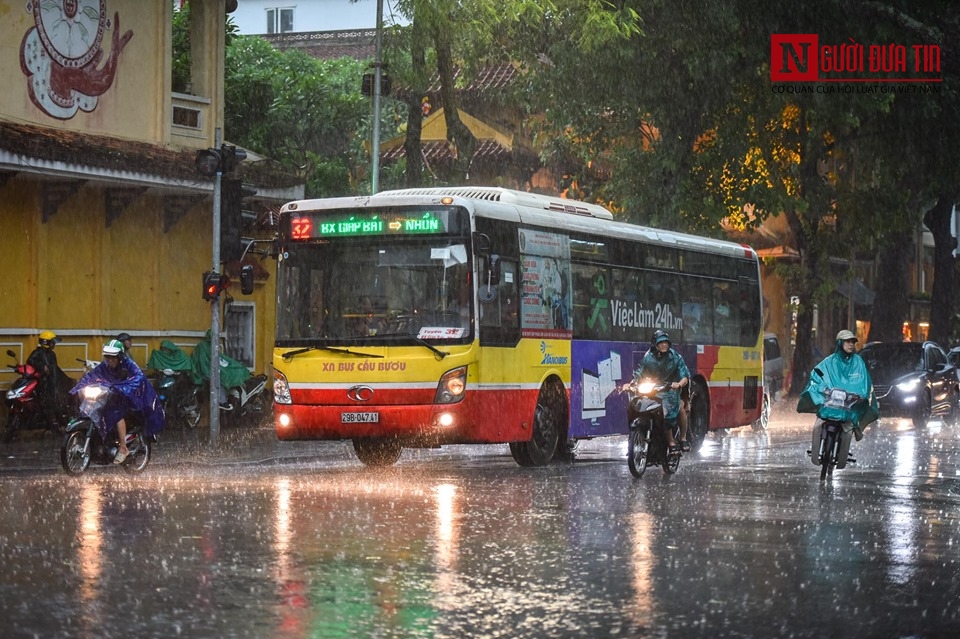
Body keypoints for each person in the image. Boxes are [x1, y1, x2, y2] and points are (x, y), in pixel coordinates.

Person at [72, 339, 164, 463]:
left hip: (129, 397)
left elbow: (138, 378)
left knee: (116, 414)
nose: (110, 359)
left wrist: (122, 387)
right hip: (111, 395)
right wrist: (79, 386)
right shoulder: (104, 365)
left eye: (113, 357)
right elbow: (92, 375)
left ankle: (123, 447)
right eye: (107, 356)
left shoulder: (129, 365)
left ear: (120, 356)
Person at [798, 329, 879, 442]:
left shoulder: (858, 361)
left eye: (852, 342)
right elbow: (818, 373)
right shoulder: (829, 361)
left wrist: (860, 394)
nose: (851, 344)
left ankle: (856, 429)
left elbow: (863, 380)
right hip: (832, 400)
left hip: (850, 402)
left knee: (863, 410)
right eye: (847, 341)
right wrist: (821, 387)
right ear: (840, 343)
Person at [633, 330, 691, 452]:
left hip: (672, 390)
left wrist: (679, 384)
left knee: (678, 409)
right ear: (655, 344)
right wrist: (632, 383)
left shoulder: (675, 357)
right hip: (654, 390)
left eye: (666, 342)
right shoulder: (648, 357)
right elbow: (639, 371)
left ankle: (680, 438)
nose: (664, 345)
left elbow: (684, 376)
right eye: (661, 343)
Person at [27, 330, 62, 431]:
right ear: (47, 343)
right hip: (40, 383)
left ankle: (53, 424)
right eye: (52, 343)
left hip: (51, 383)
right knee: (45, 403)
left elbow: (55, 368)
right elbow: (30, 361)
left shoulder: (52, 354)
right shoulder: (37, 353)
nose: (53, 345)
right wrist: (42, 367)